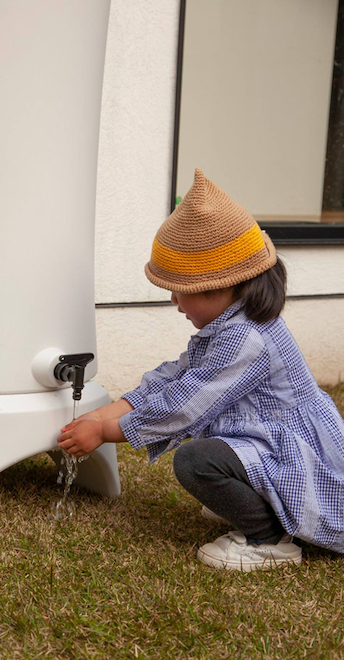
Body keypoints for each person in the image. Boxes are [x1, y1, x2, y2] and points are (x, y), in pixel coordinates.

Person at [57, 168, 344, 571]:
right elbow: (177, 375)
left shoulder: (248, 339)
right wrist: (114, 408)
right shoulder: (233, 323)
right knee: (209, 457)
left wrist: (106, 430)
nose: (175, 301)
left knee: (196, 462)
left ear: (225, 285)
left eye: (182, 290)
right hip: (272, 440)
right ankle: (259, 502)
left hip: (293, 456)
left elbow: (183, 407)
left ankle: (268, 539)